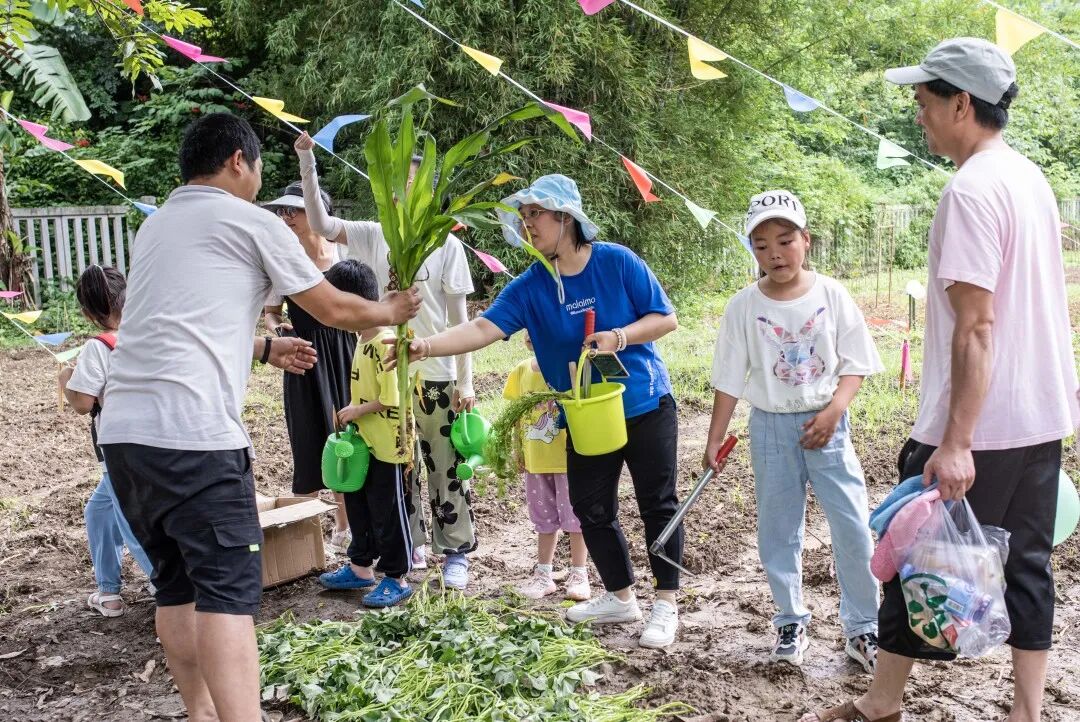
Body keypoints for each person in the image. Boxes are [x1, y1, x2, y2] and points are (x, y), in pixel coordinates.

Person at [96, 113, 420, 722]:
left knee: (175, 585)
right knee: (225, 596)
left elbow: (179, 323)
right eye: (260, 168)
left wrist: (266, 347)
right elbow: (332, 308)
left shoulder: (156, 226)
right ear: (238, 161)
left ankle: (201, 713)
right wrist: (390, 309)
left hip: (124, 437)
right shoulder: (249, 220)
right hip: (195, 437)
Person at [802, 38, 1080, 722]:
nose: (918, 115)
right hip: (1040, 417)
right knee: (1028, 565)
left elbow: (976, 325)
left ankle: (881, 703)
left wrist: (955, 442)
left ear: (961, 104)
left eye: (925, 101)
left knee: (910, 554)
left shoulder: (971, 191)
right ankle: (1024, 712)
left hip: (981, 427)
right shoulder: (1028, 178)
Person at [388, 174, 684, 648]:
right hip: (583, 413)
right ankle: (621, 597)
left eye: (535, 214)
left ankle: (666, 603)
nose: (527, 224)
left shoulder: (617, 261)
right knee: (590, 505)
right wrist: (425, 345)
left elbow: (665, 318)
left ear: (566, 217)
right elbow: (482, 328)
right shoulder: (530, 287)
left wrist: (619, 337)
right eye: (523, 216)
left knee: (658, 503)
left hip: (645, 403)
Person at [705, 191, 883, 672]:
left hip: (827, 424)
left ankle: (863, 627)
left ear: (806, 240)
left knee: (852, 525)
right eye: (761, 245)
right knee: (778, 530)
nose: (775, 254)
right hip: (769, 428)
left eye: (785, 241)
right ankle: (790, 620)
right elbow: (729, 378)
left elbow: (855, 364)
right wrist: (714, 438)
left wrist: (834, 413)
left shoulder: (832, 295)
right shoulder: (743, 306)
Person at [293, 131, 477, 588]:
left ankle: (455, 551)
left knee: (444, 464)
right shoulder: (374, 235)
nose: (403, 192)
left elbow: (461, 321)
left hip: (435, 374)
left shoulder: (448, 246)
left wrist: (465, 382)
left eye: (413, 183)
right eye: (396, 183)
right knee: (398, 465)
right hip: (384, 372)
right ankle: (410, 544)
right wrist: (307, 163)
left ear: (428, 193)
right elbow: (320, 223)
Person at [317, 260, 417, 607]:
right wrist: (353, 410)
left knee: (389, 510)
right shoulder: (362, 338)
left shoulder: (385, 341)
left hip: (389, 444)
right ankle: (360, 566)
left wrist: (357, 410)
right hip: (365, 440)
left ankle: (397, 576)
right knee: (358, 502)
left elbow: (391, 397)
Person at [263, 181, 353, 554]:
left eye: (294, 210)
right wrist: (277, 329)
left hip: (345, 353)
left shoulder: (344, 252)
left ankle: (346, 528)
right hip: (302, 356)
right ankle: (309, 539)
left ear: (319, 213)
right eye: (283, 211)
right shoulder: (282, 260)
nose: (286, 217)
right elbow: (270, 312)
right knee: (307, 437)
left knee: (345, 436)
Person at [59, 265, 154, 617]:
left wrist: (66, 380)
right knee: (99, 510)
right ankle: (109, 592)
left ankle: (167, 587)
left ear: (88, 313)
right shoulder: (148, 336)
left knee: (131, 523)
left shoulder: (97, 348)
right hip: (154, 440)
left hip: (120, 449)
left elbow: (83, 403)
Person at [502, 331, 590, 601]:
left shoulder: (571, 368)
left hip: (568, 459)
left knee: (575, 518)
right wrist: (518, 450)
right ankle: (543, 575)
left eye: (539, 328)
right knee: (543, 519)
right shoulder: (521, 371)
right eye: (529, 328)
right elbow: (516, 417)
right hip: (536, 461)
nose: (532, 334)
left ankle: (579, 573)